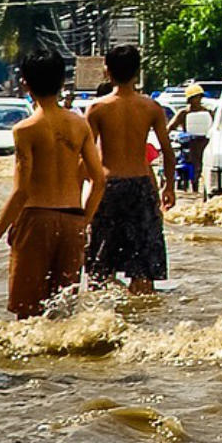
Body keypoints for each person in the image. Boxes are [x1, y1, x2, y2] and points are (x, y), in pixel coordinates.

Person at [0, 50, 106, 318]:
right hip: (72, 221)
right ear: (62, 83)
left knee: (27, 315)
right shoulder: (79, 125)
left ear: (25, 83)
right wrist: (84, 221)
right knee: (62, 315)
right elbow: (100, 180)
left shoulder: (25, 129)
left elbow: (21, 192)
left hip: (36, 221)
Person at [83, 44, 174, 295]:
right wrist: (169, 187)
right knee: (143, 268)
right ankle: (142, 322)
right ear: (137, 72)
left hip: (107, 188)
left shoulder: (97, 108)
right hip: (141, 187)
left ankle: (101, 323)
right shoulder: (151, 108)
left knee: (100, 267)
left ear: (107, 72)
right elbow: (167, 151)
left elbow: (86, 155)